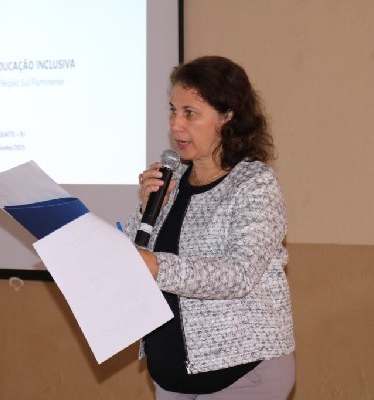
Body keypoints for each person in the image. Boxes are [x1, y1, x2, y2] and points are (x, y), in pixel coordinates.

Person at [124, 55, 295, 400]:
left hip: (241, 373)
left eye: (190, 113)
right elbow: (134, 259)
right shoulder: (170, 180)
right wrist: (145, 210)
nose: (175, 125)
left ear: (227, 116)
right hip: (172, 377)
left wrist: (158, 266)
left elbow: (239, 274)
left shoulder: (254, 184)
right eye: (173, 111)